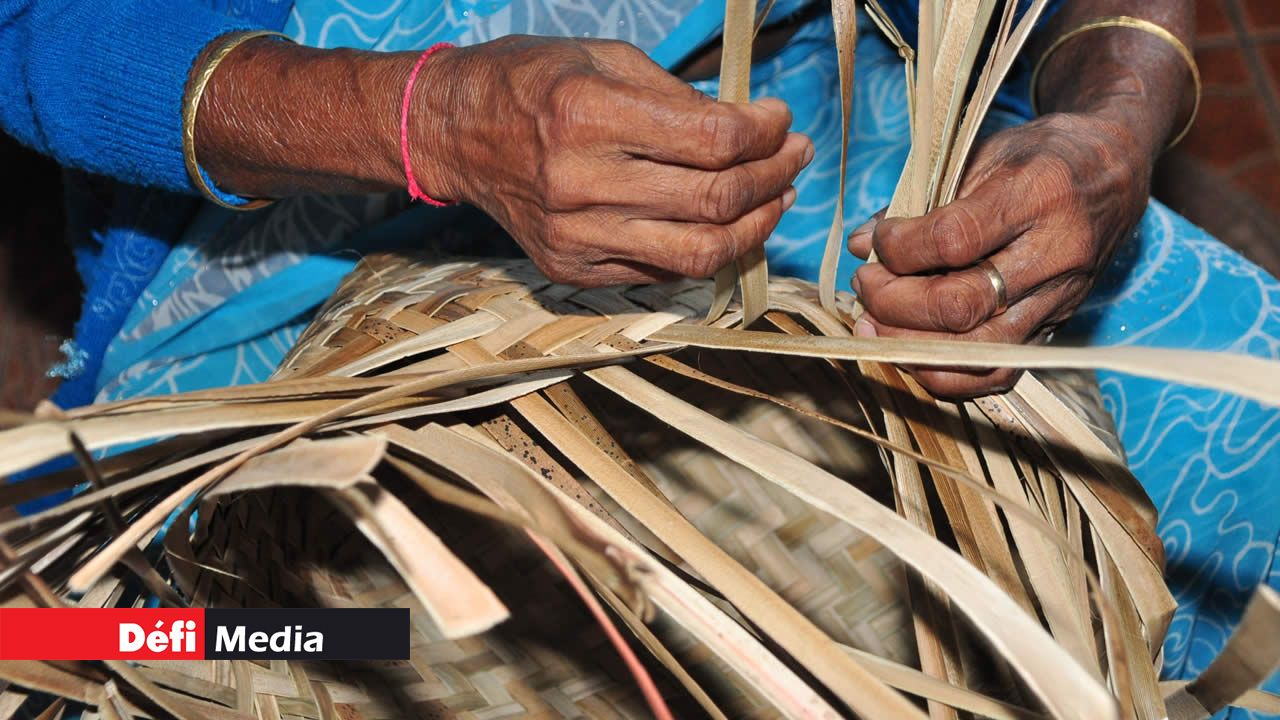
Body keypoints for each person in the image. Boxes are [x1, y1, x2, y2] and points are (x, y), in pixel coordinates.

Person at [2, 0, 1277, 712]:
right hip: (290, 225)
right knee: (249, 651)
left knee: (1238, 431)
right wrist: (429, 119)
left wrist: (1111, 117)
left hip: (791, 134)